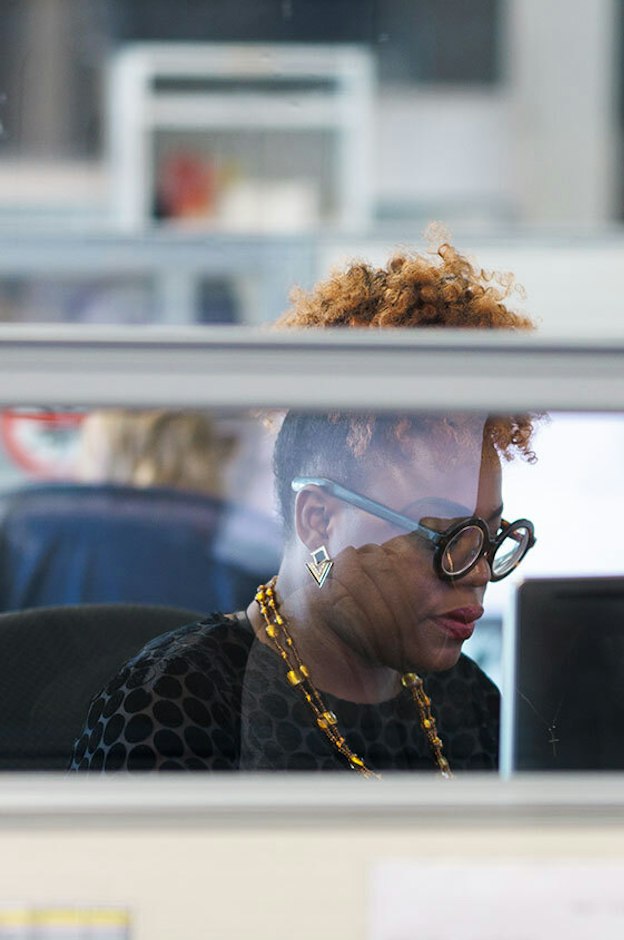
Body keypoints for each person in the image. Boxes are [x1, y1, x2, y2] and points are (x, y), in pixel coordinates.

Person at [70, 240, 537, 773]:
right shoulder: (174, 708)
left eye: (490, 536)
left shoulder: (468, 702)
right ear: (319, 520)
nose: (478, 573)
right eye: (445, 537)